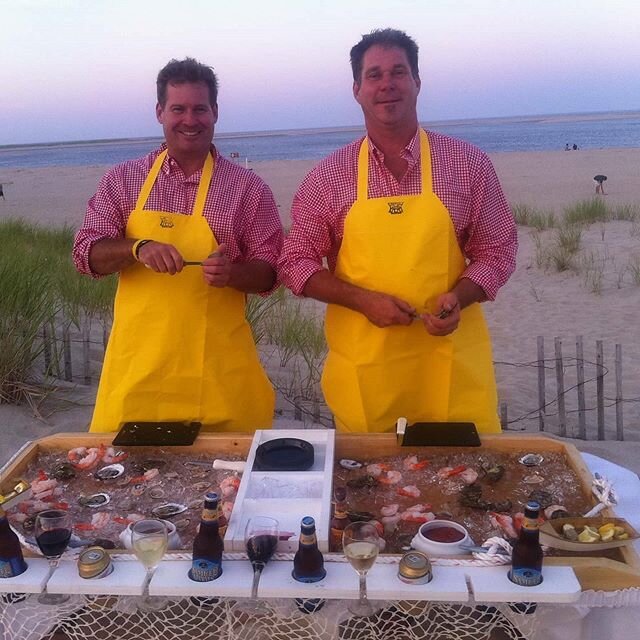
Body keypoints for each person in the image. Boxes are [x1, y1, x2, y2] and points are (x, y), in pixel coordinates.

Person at [279, 29, 517, 434]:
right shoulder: (327, 177)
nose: (386, 84)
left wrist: (459, 298)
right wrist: (361, 300)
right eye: (374, 75)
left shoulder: (468, 164)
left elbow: (498, 251)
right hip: (366, 378)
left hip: (452, 373)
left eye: (398, 72)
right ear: (357, 89)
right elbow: (294, 263)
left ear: (417, 82)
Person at [73, 58, 283, 433]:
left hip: (221, 381)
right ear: (159, 112)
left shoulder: (248, 189)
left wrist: (233, 273)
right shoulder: (122, 180)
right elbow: (86, 254)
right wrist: (136, 248)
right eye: (179, 109)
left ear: (215, 113)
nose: (190, 119)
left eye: (200, 109)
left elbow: (270, 271)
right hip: (137, 379)